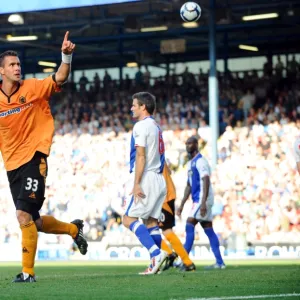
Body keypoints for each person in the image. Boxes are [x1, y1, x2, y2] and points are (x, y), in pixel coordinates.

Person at [0, 32, 88, 283]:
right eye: (12, 65)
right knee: (34, 221)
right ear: (1, 71)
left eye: (18, 64)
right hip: (12, 165)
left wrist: (66, 56)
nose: (17, 68)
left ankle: (27, 273)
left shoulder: (34, 88)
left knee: (22, 216)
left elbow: (60, 76)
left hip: (34, 158)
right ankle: (73, 229)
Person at [122, 92, 167, 275]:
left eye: (134, 105)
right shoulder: (156, 126)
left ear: (143, 107)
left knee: (128, 219)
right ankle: (155, 264)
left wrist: (137, 183)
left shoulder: (141, 126)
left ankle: (156, 253)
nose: (131, 108)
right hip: (158, 177)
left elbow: (141, 156)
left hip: (146, 176)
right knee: (151, 222)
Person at [177, 136, 225, 269]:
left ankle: (185, 261)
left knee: (189, 223)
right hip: (198, 200)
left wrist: (203, 202)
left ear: (197, 145)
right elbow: (189, 185)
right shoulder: (190, 163)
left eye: (190, 143)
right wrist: (181, 205)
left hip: (203, 199)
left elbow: (206, 180)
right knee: (208, 229)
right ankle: (220, 263)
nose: (188, 146)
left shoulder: (201, 161)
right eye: (186, 143)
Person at [159, 163, 196, 272]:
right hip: (166, 193)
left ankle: (182, 260)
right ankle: (177, 258)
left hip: (162, 196)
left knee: (158, 229)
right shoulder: (156, 151)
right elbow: (169, 171)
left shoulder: (147, 152)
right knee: (156, 229)